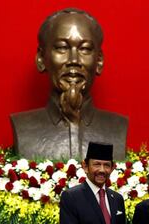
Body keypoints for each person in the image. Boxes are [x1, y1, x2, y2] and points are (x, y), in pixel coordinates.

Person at [10, 8, 128, 160]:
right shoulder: (23, 127)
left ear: (99, 61)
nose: (74, 60)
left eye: (85, 49)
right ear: (41, 59)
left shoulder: (117, 127)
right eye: (62, 48)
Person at [59, 142, 128, 224]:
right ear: (85, 166)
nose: (102, 170)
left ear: (112, 168)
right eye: (96, 164)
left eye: (106, 165)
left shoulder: (117, 198)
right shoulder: (71, 197)